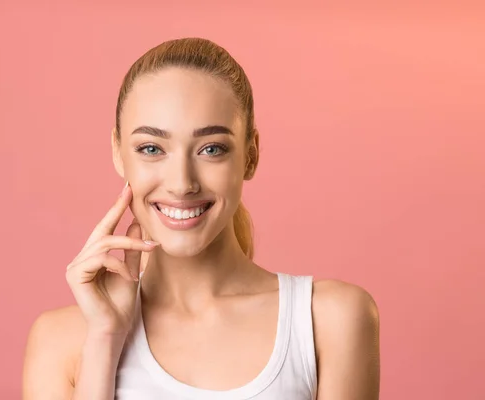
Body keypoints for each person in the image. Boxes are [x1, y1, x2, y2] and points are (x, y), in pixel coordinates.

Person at [22, 37, 380, 400]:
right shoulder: (60, 341)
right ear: (118, 153)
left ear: (250, 155)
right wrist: (104, 339)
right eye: (151, 149)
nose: (181, 183)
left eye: (211, 149)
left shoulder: (328, 320)